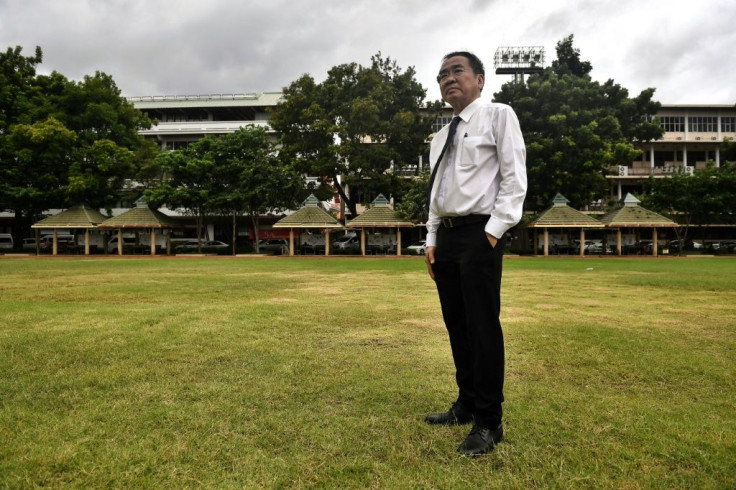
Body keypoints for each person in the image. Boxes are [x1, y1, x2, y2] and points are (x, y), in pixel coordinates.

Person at [424, 51, 527, 456]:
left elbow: (514, 176)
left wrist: (494, 231)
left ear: (479, 80)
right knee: (457, 325)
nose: (448, 79)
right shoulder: (439, 136)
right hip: (447, 237)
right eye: (442, 75)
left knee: (483, 327)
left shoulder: (499, 115)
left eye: (457, 71)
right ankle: (466, 403)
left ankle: (489, 421)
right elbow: (436, 193)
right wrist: (431, 238)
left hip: (480, 234)